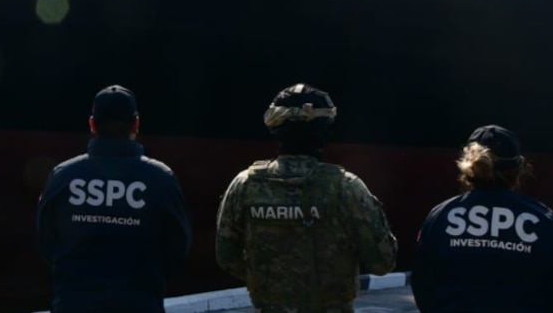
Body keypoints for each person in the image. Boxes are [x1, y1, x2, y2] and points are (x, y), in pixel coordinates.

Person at [215, 83, 397, 312]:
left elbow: (226, 256)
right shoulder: (346, 187)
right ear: (325, 132)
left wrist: (271, 283)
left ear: (274, 129)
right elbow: (383, 262)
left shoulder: (244, 185)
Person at [36, 85, 192, 313]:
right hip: (139, 304)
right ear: (136, 124)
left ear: (92, 124)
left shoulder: (63, 177)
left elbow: (46, 239)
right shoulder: (161, 179)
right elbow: (178, 246)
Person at [412, 125, 553, 312]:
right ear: (519, 169)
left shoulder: (441, 217)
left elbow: (423, 284)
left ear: (468, 167)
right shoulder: (544, 221)